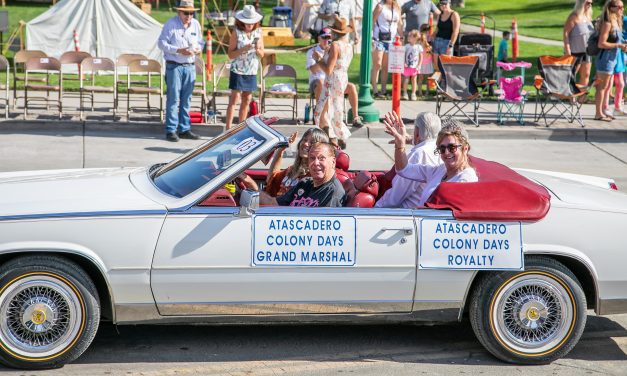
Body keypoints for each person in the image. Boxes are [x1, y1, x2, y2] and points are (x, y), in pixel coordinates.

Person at [383, 111, 478, 207]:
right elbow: (403, 169)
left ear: (465, 149)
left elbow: (446, 210)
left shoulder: (466, 178)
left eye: (452, 147)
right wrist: (400, 145)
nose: (446, 152)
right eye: (442, 148)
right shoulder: (440, 170)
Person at [157, 0, 203, 142]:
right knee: (174, 98)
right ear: (179, 12)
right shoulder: (171, 24)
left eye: (191, 13)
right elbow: (161, 43)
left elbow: (201, 42)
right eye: (186, 13)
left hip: (190, 66)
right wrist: (178, 51)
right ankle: (171, 130)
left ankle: (184, 129)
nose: (189, 16)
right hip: (174, 65)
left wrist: (197, 49)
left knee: (187, 99)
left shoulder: (196, 24)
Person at [375, 112, 442, 208]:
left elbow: (395, 197)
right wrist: (408, 139)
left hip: (406, 213)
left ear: (417, 132)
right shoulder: (443, 150)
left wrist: (375, 208)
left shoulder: (419, 154)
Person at [306, 28, 364, 127]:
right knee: (320, 82)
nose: (327, 40)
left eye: (329, 37)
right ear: (319, 38)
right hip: (318, 81)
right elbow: (313, 70)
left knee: (352, 87)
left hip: (334, 81)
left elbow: (332, 68)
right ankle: (323, 119)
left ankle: (355, 117)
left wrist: (322, 59)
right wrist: (320, 59)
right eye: (324, 37)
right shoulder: (313, 51)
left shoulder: (335, 48)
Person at [260, 142, 346, 207]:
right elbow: (273, 203)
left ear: (333, 162)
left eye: (321, 158)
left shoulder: (333, 192)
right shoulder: (305, 183)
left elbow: (323, 227)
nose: (316, 163)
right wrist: (250, 185)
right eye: (312, 158)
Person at [313, 18, 354, 149]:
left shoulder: (335, 45)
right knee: (335, 109)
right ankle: (338, 136)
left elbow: (328, 69)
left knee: (322, 111)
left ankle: (333, 139)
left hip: (333, 79)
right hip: (342, 77)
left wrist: (318, 59)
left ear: (335, 32)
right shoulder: (348, 45)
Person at [225, 5, 264, 130]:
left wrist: (258, 49)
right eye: (247, 22)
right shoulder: (236, 32)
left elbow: (262, 54)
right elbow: (230, 54)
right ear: (242, 21)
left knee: (247, 99)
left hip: (251, 70)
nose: (250, 25)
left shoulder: (258, 32)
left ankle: (240, 128)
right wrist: (243, 49)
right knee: (234, 98)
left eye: (252, 22)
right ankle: (228, 128)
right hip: (238, 69)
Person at [265, 128, 330, 197]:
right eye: (304, 140)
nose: (305, 143)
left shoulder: (316, 176)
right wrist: (281, 149)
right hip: (276, 206)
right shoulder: (292, 170)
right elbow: (272, 180)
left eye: (312, 142)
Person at [594, 0, 627, 121]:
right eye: (619, 7)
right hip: (605, 58)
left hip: (612, 58)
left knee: (607, 86)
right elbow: (601, 43)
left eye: (622, 7)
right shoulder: (607, 23)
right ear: (611, 8)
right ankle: (598, 113)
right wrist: (618, 46)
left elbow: (616, 40)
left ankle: (603, 111)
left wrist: (622, 45)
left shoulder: (616, 22)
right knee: (602, 87)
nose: (622, 9)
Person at [371, 0, 404, 98]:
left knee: (385, 67)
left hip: (391, 40)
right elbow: (372, 22)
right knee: (377, 64)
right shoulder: (380, 6)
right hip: (378, 39)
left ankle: (383, 90)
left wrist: (402, 37)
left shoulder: (397, 7)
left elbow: (399, 24)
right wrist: (371, 37)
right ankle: (375, 90)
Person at [563, 0, 595, 86]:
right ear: (581, 3)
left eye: (591, 3)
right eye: (588, 2)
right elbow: (566, 33)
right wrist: (567, 49)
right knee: (572, 75)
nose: (590, 5)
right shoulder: (574, 16)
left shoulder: (588, 16)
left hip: (587, 51)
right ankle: (571, 97)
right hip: (575, 51)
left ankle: (582, 98)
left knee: (586, 75)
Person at [432, 0, 460, 70]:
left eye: (445, 4)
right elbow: (437, 29)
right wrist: (431, 37)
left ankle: (446, 80)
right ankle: (438, 81)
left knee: (446, 67)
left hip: (447, 43)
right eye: (441, 4)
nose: (443, 6)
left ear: (449, 3)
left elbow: (455, 31)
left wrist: (451, 45)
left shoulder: (454, 14)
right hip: (437, 41)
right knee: (437, 66)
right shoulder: (440, 15)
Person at [402, 29, 424, 101]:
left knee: (414, 80)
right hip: (407, 66)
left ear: (415, 38)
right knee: (406, 79)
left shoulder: (419, 47)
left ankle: (413, 93)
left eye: (410, 36)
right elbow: (403, 55)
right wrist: (404, 62)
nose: (408, 37)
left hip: (415, 67)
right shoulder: (406, 46)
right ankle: (405, 93)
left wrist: (419, 65)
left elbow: (421, 57)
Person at [417, 24, 434, 97]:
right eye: (425, 31)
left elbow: (431, 49)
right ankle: (420, 92)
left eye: (428, 31)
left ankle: (427, 92)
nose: (427, 32)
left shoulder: (430, 39)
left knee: (428, 78)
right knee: (420, 78)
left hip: (428, 61)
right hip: (421, 62)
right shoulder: (420, 39)